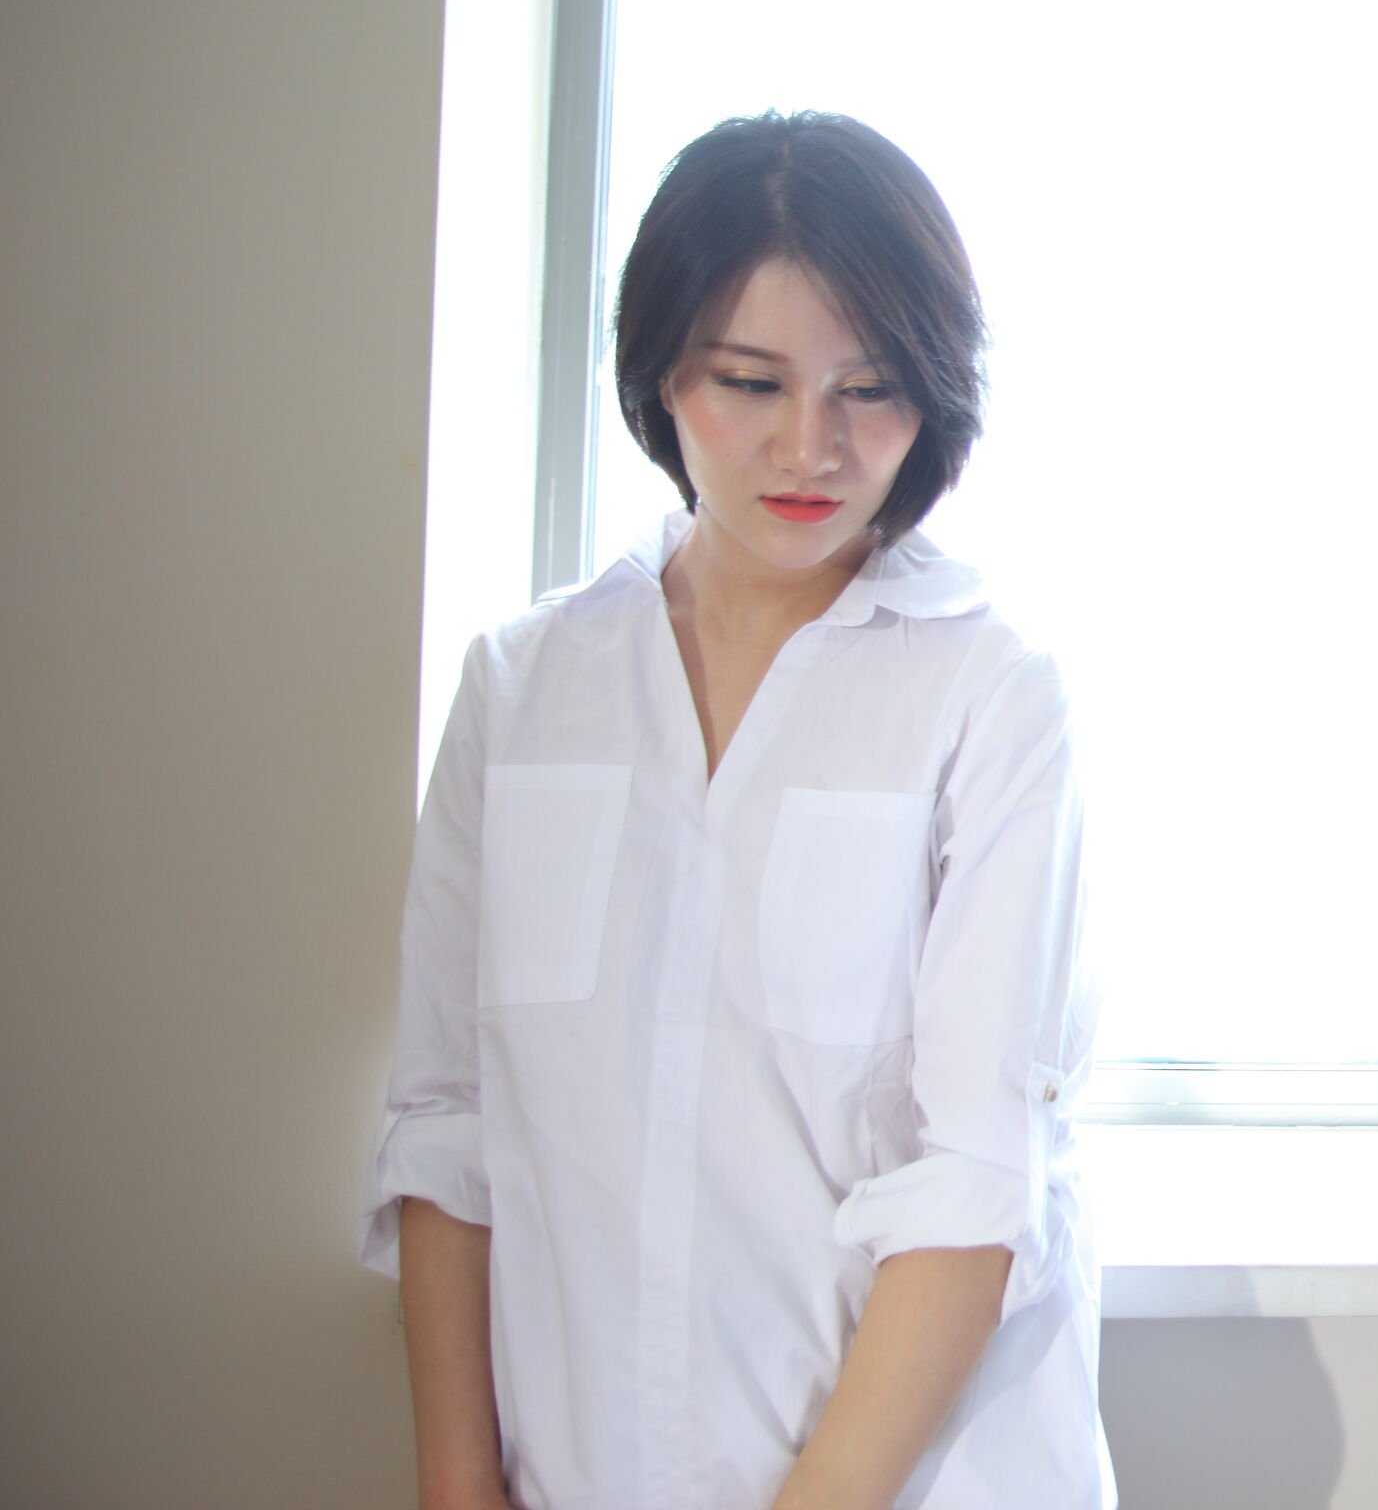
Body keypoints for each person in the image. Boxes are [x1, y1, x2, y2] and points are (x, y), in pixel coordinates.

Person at [355, 110, 1114, 1509]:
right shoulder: (523, 690)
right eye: (750, 382)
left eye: (870, 389)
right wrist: (459, 1488)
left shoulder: (989, 698)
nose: (809, 447)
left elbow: (975, 1181)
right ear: (663, 372)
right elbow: (449, 1125)